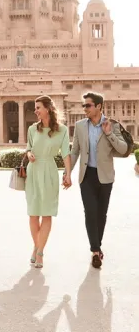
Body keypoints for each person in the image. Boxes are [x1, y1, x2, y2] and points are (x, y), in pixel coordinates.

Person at [67, 92, 127, 268]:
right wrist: (67, 172)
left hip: (105, 177)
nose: (84, 108)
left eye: (88, 105)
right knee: (90, 212)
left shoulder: (112, 124)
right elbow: (75, 151)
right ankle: (95, 250)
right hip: (87, 176)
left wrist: (109, 134)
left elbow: (123, 149)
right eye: (84, 105)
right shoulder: (79, 126)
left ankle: (97, 246)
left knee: (101, 214)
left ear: (99, 106)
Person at [25, 95, 72, 268]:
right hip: (34, 171)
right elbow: (28, 148)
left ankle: (40, 253)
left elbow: (66, 153)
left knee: (47, 213)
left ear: (48, 109)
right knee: (33, 213)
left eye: (38, 107)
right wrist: (29, 154)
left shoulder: (63, 130)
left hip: (50, 171)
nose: (35, 111)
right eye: (35, 107)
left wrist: (68, 173)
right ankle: (37, 246)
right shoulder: (32, 129)